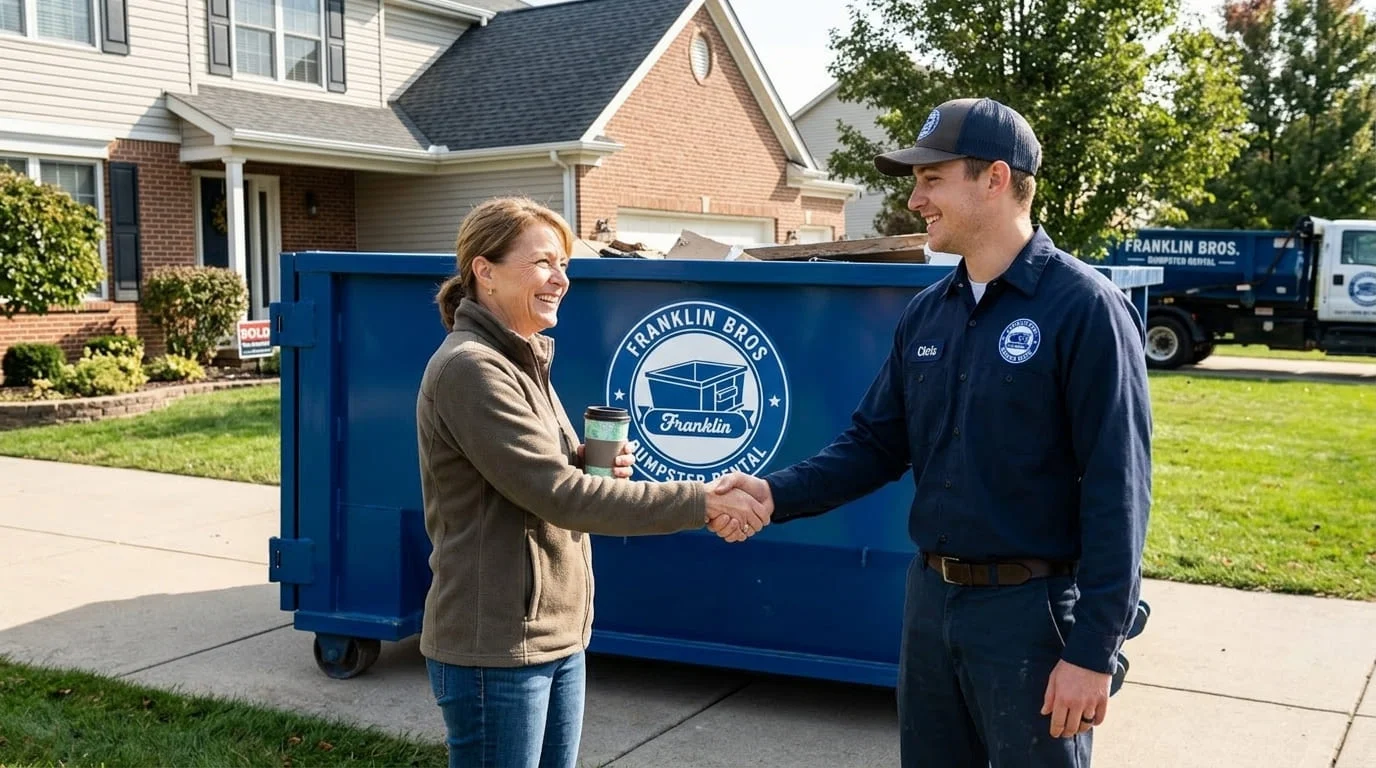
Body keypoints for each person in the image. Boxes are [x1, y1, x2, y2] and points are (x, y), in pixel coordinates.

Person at [712, 97, 1152, 767]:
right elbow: (875, 444)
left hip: (1031, 617)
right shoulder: (928, 313)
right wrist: (774, 494)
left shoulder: (1086, 308)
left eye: (932, 179)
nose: (915, 199)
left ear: (995, 179)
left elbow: (1119, 490)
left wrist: (1094, 651)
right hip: (932, 603)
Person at [415, 196, 768, 768]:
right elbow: (559, 496)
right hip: (497, 647)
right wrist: (701, 501)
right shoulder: (472, 367)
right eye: (542, 263)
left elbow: (532, 480)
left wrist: (580, 461)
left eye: (564, 265)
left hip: (554, 635)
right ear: (485, 271)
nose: (561, 279)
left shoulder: (523, 359)